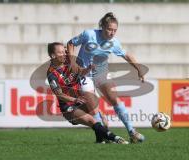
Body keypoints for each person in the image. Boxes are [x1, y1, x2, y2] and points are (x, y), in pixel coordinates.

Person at [67, 12, 145, 143]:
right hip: (84, 74)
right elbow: (71, 43)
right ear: (102, 26)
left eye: (115, 30)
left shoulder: (114, 43)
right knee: (94, 107)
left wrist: (139, 69)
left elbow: (127, 55)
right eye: (110, 29)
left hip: (101, 72)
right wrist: (72, 63)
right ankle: (104, 134)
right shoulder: (89, 34)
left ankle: (132, 131)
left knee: (114, 98)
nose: (112, 33)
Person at [46, 42, 128, 144]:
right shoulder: (52, 74)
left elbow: (80, 72)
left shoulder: (69, 62)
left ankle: (100, 140)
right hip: (68, 106)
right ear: (53, 55)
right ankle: (115, 138)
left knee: (102, 120)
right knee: (91, 120)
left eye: (64, 51)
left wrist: (88, 68)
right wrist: (74, 100)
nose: (64, 54)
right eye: (61, 52)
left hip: (81, 100)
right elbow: (59, 95)